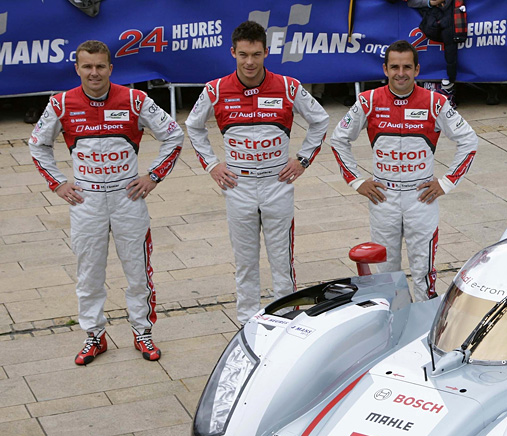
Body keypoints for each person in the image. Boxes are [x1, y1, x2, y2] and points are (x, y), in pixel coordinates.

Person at [29, 40, 183, 365]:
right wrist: (57, 184)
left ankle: (142, 332)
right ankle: (94, 336)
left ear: (111, 68)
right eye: (87, 66)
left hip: (128, 198)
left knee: (138, 272)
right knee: (88, 274)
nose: (94, 72)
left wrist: (153, 176)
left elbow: (173, 134)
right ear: (77, 68)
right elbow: (37, 145)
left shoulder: (134, 98)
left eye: (100, 66)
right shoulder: (61, 103)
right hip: (86, 201)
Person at [185, 21, 330, 323]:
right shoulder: (215, 89)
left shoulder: (288, 86)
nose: (249, 62)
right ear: (233, 53)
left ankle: (287, 320)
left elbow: (320, 120)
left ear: (266, 52)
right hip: (238, 185)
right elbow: (193, 126)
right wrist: (212, 165)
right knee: (246, 262)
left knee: (282, 261)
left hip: (278, 182)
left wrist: (302, 160)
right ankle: (247, 323)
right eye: (243, 55)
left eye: (255, 54)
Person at [331, 40, 478, 302]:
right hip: (383, 198)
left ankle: (422, 327)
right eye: (395, 67)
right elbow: (338, 139)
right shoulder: (368, 101)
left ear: (417, 70)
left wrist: (446, 183)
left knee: (423, 271)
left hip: (420, 198)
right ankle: (393, 324)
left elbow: (469, 141)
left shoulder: (435, 102)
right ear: (385, 69)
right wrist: (355, 180)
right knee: (385, 271)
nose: (401, 73)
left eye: (407, 67)